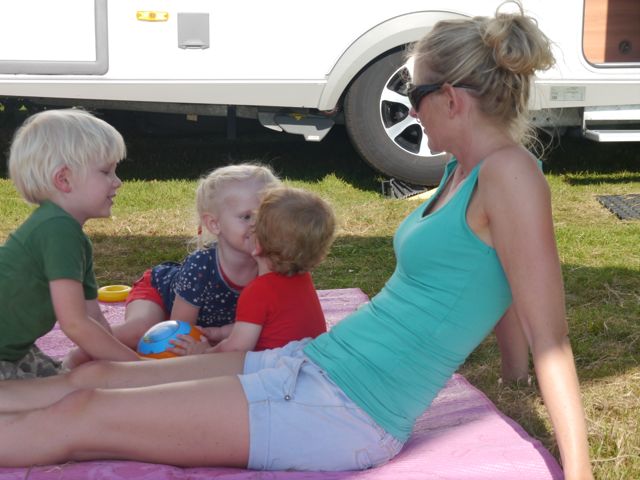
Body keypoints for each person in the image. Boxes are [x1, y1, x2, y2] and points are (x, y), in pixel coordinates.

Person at [0, 3, 593, 478]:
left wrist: (579, 469)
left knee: (86, 413)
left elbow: (552, 336)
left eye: (413, 96)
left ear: (452, 100)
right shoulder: (460, 171)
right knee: (93, 380)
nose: (411, 112)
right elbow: (499, 275)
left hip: (346, 411)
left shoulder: (509, 174)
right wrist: (512, 375)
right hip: (314, 366)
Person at [63, 163, 281, 367]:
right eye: (246, 216)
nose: (257, 225)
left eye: (265, 216)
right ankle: (79, 354)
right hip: (159, 295)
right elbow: (177, 332)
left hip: (208, 325)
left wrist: (214, 344)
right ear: (214, 224)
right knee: (141, 332)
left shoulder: (276, 262)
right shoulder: (201, 267)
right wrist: (204, 349)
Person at [0, 108, 139, 380]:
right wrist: (139, 367)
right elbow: (75, 324)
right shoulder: (57, 229)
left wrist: (123, 364)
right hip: (6, 355)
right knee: (59, 396)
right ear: (63, 179)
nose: (118, 182)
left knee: (63, 382)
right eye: (106, 172)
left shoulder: (72, 235)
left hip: (14, 351)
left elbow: (94, 317)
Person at [171, 186, 335, 355]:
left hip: (276, 366)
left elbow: (236, 349)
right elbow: (257, 324)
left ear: (258, 246)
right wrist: (219, 333)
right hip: (310, 360)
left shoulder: (258, 291)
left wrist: (205, 352)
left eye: (252, 228)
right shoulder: (303, 279)